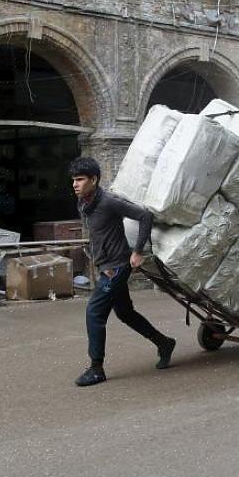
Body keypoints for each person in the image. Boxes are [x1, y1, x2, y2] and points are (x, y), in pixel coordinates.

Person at [69, 157, 176, 387]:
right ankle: (164, 343)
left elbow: (145, 216)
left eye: (80, 180)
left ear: (94, 180)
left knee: (94, 312)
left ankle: (96, 368)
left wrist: (137, 251)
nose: (75, 184)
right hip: (105, 266)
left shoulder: (109, 202)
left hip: (116, 268)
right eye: (73, 180)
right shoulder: (84, 203)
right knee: (125, 313)